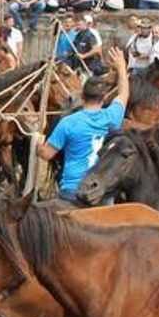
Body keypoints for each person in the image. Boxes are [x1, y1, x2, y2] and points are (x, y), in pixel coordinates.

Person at [39, 46, 130, 201]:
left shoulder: (67, 123)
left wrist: (38, 144)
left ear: (82, 96)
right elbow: (124, 93)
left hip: (72, 191)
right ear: (104, 99)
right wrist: (121, 68)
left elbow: (46, 154)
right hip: (101, 192)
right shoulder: (112, 117)